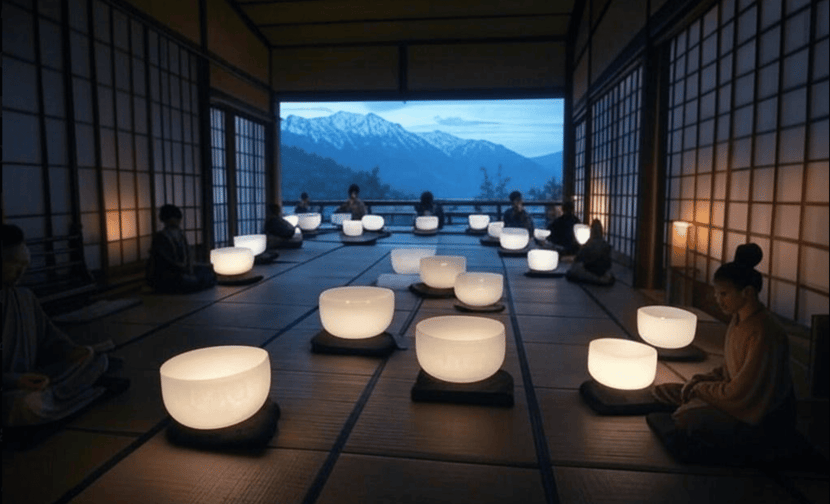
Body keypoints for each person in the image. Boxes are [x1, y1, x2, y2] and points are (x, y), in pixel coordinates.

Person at [650, 243, 796, 458]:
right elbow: (729, 369)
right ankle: (694, 398)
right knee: (664, 390)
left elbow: (743, 394)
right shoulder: (738, 320)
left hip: (760, 415)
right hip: (734, 398)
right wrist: (698, 381)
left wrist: (700, 390)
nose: (718, 300)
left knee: (686, 416)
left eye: (724, 294)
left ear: (747, 293)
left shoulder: (764, 332)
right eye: (717, 294)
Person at [2, 224, 123, 428]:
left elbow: (50, 338)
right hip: (11, 389)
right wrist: (15, 381)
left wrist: (72, 351)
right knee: (25, 405)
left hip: (36, 378)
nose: (21, 272)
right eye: (14, 264)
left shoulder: (24, 297)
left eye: (25, 266)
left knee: (98, 360)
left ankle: (65, 396)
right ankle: (81, 394)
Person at [146, 204, 216, 293]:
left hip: (183, 271)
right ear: (166, 220)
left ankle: (196, 281)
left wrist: (191, 267)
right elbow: (167, 262)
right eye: (173, 218)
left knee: (206, 272)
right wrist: (185, 271)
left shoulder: (180, 235)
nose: (177, 221)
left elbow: (188, 256)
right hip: (168, 274)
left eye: (177, 219)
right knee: (188, 281)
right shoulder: (161, 238)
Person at [565, 219, 614, 285]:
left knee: (573, 271)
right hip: (602, 272)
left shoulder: (589, 244)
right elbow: (609, 265)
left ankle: (599, 279)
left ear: (591, 230)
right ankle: (602, 279)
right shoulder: (606, 245)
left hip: (591, 271)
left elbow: (577, 259)